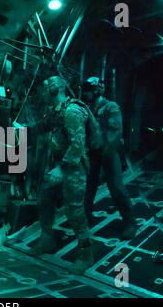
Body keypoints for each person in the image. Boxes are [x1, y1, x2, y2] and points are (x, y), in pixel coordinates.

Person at [31, 76, 94, 275]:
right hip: (60, 166)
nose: (42, 94)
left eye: (44, 90)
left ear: (54, 90)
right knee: (44, 199)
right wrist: (17, 131)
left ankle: (85, 253)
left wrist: (61, 168)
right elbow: (42, 127)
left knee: (74, 211)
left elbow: (77, 145)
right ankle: (47, 239)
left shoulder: (72, 111)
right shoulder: (56, 111)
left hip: (74, 167)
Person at [82, 77, 137, 239]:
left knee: (117, 189)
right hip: (93, 154)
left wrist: (104, 151)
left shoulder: (110, 107)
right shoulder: (87, 108)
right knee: (88, 188)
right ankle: (86, 216)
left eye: (88, 89)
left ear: (97, 90)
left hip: (108, 153)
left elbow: (115, 131)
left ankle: (130, 223)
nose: (85, 93)